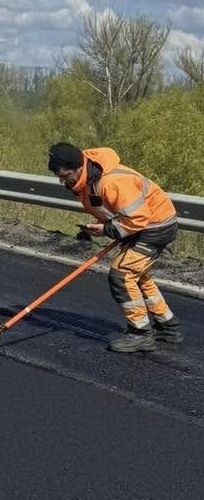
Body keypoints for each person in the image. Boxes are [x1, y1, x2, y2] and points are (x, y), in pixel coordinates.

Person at [47, 143, 183, 353]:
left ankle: (140, 334)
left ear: (78, 168)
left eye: (65, 176)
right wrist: (100, 228)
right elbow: (111, 209)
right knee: (138, 274)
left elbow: (138, 217)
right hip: (144, 225)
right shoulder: (88, 180)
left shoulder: (110, 181)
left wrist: (108, 230)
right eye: (59, 176)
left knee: (121, 274)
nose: (62, 181)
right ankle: (167, 326)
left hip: (156, 226)